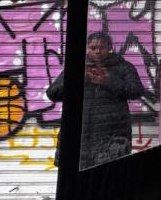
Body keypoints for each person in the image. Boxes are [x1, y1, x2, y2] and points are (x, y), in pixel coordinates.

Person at [47, 31, 145, 169]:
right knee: (77, 176)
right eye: (93, 48)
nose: (98, 51)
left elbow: (136, 91)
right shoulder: (77, 66)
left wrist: (108, 80)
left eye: (102, 47)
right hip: (78, 133)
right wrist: (77, 79)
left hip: (111, 135)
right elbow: (52, 93)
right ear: (87, 48)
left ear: (109, 47)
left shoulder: (123, 67)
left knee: (108, 177)